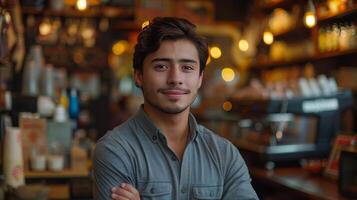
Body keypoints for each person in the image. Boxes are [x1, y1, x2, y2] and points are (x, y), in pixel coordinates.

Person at [93, 17, 259, 200]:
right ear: (139, 76)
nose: (175, 78)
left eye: (187, 67)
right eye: (161, 66)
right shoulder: (115, 150)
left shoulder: (224, 154)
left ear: (200, 79)